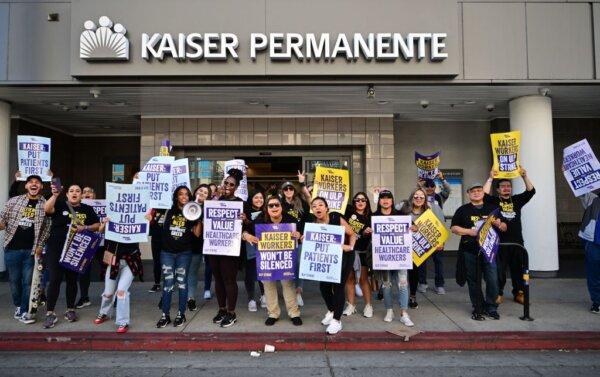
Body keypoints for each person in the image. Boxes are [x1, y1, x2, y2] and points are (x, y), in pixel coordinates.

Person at [43, 184, 100, 328]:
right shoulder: (60, 204)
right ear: (67, 194)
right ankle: (50, 313)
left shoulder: (87, 209)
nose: (74, 193)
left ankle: (70, 309)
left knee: (72, 280)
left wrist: (85, 227)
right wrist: (55, 195)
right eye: (71, 191)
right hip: (56, 248)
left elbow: (97, 225)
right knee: (55, 279)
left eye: (78, 191)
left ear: (81, 195)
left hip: (75, 250)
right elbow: (46, 209)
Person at [243, 195, 303, 326]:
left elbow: (301, 233)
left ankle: (294, 313)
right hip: (267, 259)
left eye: (277, 205)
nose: (274, 207)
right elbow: (245, 231)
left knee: (288, 285)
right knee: (268, 285)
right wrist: (246, 235)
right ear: (267, 208)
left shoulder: (290, 220)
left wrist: (298, 234)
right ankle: (273, 314)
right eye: (271, 205)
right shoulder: (260, 220)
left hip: (284, 258)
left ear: (281, 207)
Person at [451, 182, 507, 321]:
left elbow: (505, 227)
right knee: (473, 281)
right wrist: (469, 231)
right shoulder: (462, 210)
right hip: (470, 250)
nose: (476, 193)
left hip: (490, 251)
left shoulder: (493, 208)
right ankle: (478, 307)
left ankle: (491, 307)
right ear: (468, 194)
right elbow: (454, 228)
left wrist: (499, 224)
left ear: (483, 192)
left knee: (492, 279)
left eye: (479, 190)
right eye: (473, 191)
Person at [0, 175, 51, 324]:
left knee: (28, 282)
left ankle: (24, 310)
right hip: (11, 249)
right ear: (26, 186)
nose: (34, 184)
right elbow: (2, 220)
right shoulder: (14, 201)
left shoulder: (46, 204)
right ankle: (18, 305)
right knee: (14, 281)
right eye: (31, 182)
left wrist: (40, 245)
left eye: (37, 182)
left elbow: (47, 228)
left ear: (41, 186)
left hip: (31, 250)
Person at [483, 166, 535, 305]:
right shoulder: (494, 201)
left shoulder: (516, 200)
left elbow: (531, 191)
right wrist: (491, 178)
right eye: (503, 186)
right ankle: (498, 293)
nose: (506, 188)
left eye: (508, 186)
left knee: (518, 270)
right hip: (499, 243)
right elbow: (483, 195)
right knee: (499, 271)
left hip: (517, 243)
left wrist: (524, 176)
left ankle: (519, 293)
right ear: (498, 190)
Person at [209, 168, 251, 328]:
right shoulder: (214, 201)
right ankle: (222, 309)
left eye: (231, 184)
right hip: (214, 246)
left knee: (229, 280)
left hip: (231, 249)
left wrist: (245, 220)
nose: (227, 186)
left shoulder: (241, 203)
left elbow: (249, 227)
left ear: (236, 187)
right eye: (226, 182)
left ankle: (231, 312)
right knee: (218, 279)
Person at [156, 186, 202, 328]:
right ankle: (165, 315)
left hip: (184, 253)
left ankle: (181, 314)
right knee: (168, 284)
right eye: (181, 194)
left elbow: (197, 234)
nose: (184, 197)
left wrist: (198, 216)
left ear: (190, 197)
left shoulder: (191, 211)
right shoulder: (168, 211)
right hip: (167, 253)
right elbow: (157, 227)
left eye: (186, 194)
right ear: (176, 196)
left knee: (182, 283)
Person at [309, 197, 357, 334]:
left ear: (326, 208)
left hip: (345, 256)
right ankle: (332, 310)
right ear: (312, 210)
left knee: (338, 286)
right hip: (326, 259)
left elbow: (352, 234)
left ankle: (337, 320)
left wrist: (350, 246)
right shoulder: (313, 223)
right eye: (314, 206)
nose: (318, 207)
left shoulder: (335, 217)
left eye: (320, 205)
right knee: (323, 286)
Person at [93, 219, 143, 333]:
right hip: (113, 260)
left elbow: (144, 231)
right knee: (108, 293)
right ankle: (104, 312)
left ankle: (123, 321)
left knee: (121, 291)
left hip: (130, 260)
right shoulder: (112, 215)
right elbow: (100, 231)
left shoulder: (136, 217)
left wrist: (146, 220)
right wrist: (105, 223)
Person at [375, 189, 414, 327]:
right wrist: (368, 231)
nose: (385, 200)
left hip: (400, 257)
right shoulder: (374, 216)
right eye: (382, 198)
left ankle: (404, 313)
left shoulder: (401, 215)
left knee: (403, 284)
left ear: (392, 200)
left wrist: (413, 228)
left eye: (388, 198)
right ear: (379, 201)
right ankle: (389, 310)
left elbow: (411, 227)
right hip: (383, 258)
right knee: (386, 285)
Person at [417, 171, 451, 294]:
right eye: (427, 186)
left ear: (435, 187)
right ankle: (422, 283)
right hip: (423, 232)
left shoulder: (439, 197)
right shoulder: (419, 197)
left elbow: (448, 190)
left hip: (438, 233)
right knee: (422, 260)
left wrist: (442, 179)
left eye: (432, 186)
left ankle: (439, 284)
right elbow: (413, 199)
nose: (430, 188)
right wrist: (419, 187)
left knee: (439, 261)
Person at [342, 192, 374, 318]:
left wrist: (369, 231)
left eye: (363, 200)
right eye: (357, 200)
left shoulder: (371, 217)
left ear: (367, 202)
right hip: (348, 250)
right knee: (349, 279)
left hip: (362, 253)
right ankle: (351, 305)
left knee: (363, 279)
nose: (360, 202)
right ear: (354, 202)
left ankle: (368, 305)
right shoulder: (348, 212)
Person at [281, 178, 309, 307]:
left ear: (294, 190)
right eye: (286, 189)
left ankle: (298, 292)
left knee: (299, 265)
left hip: (299, 240)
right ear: (283, 191)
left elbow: (308, 220)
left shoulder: (301, 203)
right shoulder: (279, 204)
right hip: (284, 241)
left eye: (291, 188)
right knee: (287, 266)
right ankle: (289, 291)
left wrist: (302, 234)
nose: (288, 190)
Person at [75, 186, 104, 309]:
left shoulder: (104, 205)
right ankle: (84, 297)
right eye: (84, 192)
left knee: (107, 269)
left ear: (94, 195)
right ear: (81, 196)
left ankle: (111, 295)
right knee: (84, 271)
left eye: (90, 191)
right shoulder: (79, 208)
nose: (87, 193)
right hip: (85, 243)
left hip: (103, 243)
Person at [186, 184, 212, 311]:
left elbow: (197, 233)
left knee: (192, 273)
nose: (202, 193)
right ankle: (166, 296)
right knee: (177, 273)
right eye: (200, 190)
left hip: (196, 246)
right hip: (180, 245)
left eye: (206, 193)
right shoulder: (185, 204)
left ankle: (190, 298)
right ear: (195, 191)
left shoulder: (207, 210)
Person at [244, 190, 266, 311]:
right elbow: (243, 227)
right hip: (249, 246)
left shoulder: (267, 210)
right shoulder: (245, 211)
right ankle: (251, 298)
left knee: (264, 272)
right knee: (250, 273)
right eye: (256, 197)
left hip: (265, 246)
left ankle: (264, 296)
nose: (259, 200)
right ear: (251, 199)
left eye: (261, 198)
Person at [579, 190, 600, 314]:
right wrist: (568, 171)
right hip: (593, 243)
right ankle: (597, 302)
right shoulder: (592, 198)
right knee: (594, 275)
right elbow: (580, 190)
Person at [148, 207, 167, 293]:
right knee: (156, 262)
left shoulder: (169, 209)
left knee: (168, 262)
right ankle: (157, 283)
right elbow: (148, 224)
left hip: (168, 240)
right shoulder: (152, 210)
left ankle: (169, 283)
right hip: (156, 239)